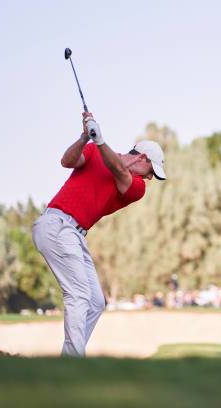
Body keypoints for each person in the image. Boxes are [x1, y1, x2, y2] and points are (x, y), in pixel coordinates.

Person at [32, 112, 166, 357]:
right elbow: (67, 161)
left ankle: (70, 356)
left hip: (74, 234)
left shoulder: (137, 187)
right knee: (79, 294)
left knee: (95, 302)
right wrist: (85, 137)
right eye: (151, 171)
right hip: (55, 225)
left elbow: (117, 169)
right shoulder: (95, 151)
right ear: (143, 158)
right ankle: (73, 361)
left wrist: (100, 139)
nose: (149, 177)